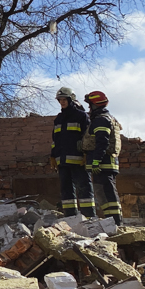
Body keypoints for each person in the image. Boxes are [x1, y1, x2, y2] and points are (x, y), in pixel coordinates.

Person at [51, 86, 94, 217]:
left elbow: (88, 137)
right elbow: (55, 140)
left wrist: (87, 154)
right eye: (60, 100)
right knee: (66, 191)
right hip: (62, 162)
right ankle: (70, 217)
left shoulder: (81, 116)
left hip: (79, 161)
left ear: (71, 100)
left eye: (64, 99)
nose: (62, 102)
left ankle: (89, 218)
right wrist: (53, 156)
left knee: (84, 188)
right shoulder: (58, 119)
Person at [85, 90, 122, 225]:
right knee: (103, 194)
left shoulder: (101, 119)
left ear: (95, 105)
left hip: (103, 163)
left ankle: (116, 223)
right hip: (104, 163)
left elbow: (102, 142)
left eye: (90, 105)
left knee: (108, 193)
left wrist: (96, 160)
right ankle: (110, 222)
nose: (89, 108)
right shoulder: (106, 118)